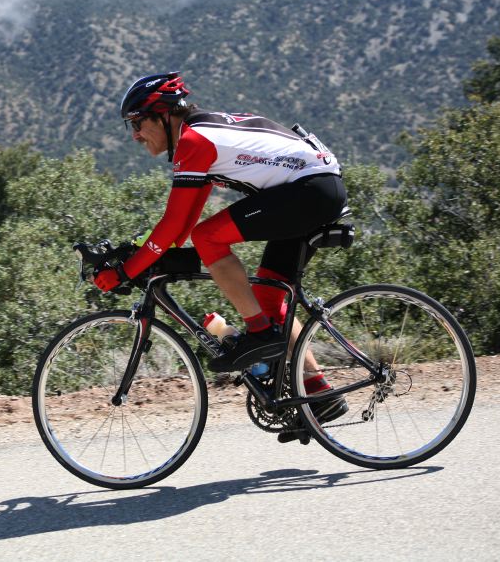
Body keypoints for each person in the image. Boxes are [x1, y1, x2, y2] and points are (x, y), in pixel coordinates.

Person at [93, 71, 347, 422]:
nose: (135, 135)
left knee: (209, 237)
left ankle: (257, 332)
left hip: (309, 191)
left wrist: (125, 271)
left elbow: (175, 226)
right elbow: (179, 225)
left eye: (137, 123)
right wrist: (141, 253)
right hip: (313, 189)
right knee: (271, 298)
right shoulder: (201, 133)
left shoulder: (195, 140)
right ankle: (319, 393)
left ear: (163, 115)